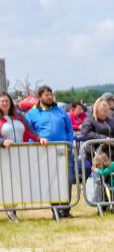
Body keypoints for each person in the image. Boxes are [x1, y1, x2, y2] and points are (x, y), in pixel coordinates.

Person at [25, 84, 74, 218]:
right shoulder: (32, 113)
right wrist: (34, 146)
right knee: (52, 181)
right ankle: (56, 210)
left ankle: (66, 209)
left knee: (68, 179)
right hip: (44, 152)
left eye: (51, 94)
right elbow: (28, 132)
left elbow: (69, 129)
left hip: (64, 150)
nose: (50, 97)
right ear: (40, 97)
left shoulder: (60, 111)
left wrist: (69, 144)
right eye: (46, 95)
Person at [1, 92, 45, 222]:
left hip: (19, 157)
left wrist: (39, 138)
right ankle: (10, 210)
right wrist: (2, 142)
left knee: (16, 184)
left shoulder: (19, 117)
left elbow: (29, 130)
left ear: (10, 103)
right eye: (2, 101)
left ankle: (11, 209)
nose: (4, 103)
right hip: (3, 156)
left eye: (6, 101)